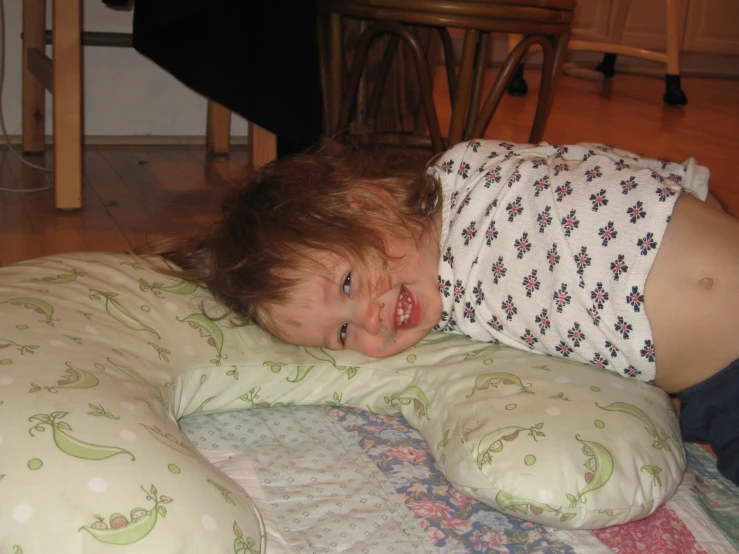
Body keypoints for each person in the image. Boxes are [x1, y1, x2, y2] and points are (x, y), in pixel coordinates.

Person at [149, 139, 739, 486]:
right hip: (721, 384)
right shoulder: (454, 322)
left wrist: (681, 185)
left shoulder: (463, 170)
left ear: (365, 203)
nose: (371, 318)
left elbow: (577, 162)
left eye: (350, 282)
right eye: (343, 332)